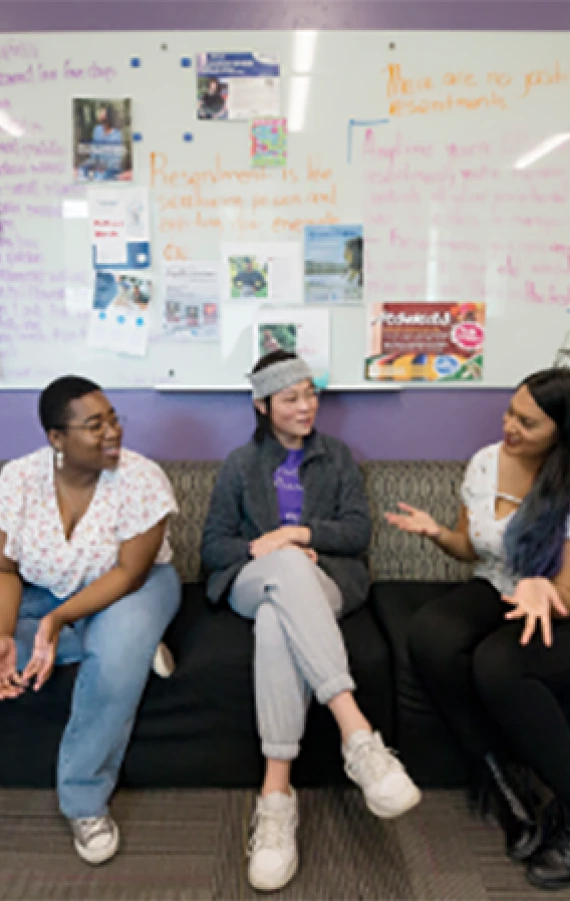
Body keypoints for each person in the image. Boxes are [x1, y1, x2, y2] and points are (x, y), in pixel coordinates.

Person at [385, 368, 570, 891]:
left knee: (498, 664)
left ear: (561, 432)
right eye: (509, 412)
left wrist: (540, 588)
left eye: (527, 421)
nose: (510, 427)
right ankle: (503, 780)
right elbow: (471, 548)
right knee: (431, 634)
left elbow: (566, 594)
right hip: (503, 584)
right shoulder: (484, 463)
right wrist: (436, 532)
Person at [202, 350, 421, 892]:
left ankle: (276, 800)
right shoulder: (238, 465)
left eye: (311, 393)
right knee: (281, 578)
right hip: (253, 580)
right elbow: (213, 547)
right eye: (291, 398)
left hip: (323, 579)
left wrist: (297, 536)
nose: (306, 406)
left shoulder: (339, 457)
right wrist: (269, 551)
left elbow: (357, 533)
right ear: (262, 405)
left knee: (280, 617)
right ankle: (358, 736)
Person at [0, 376, 181, 867]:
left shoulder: (141, 477)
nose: (112, 432)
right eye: (94, 426)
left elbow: (128, 573)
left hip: (133, 587)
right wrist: (1, 636)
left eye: (113, 418)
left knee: (115, 659)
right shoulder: (17, 480)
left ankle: (84, 800)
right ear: (57, 438)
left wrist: (56, 622)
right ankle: (131, 646)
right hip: (42, 586)